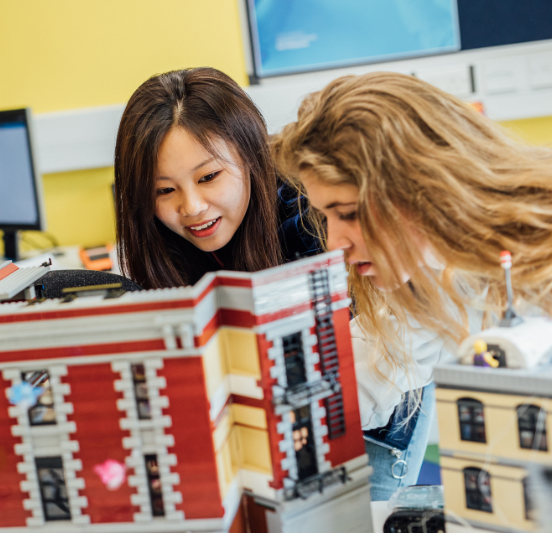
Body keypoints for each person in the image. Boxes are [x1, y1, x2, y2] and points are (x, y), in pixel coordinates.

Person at [272, 71, 552, 499]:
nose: (334, 242)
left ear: (419, 186)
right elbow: (367, 370)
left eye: (348, 212)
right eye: (326, 216)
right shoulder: (432, 276)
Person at [114, 67, 318, 289]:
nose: (192, 208)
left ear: (252, 156)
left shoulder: (310, 213)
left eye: (208, 177)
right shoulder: (159, 242)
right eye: (164, 190)